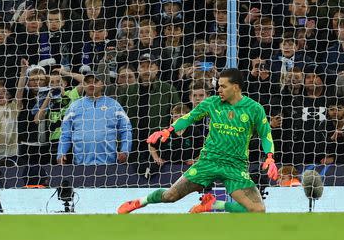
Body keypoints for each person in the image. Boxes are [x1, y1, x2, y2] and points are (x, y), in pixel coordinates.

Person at [118, 68, 277, 214]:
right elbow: (188, 118)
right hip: (207, 162)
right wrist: (168, 130)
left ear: (236, 87)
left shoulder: (254, 108)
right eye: (218, 86)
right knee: (170, 195)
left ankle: (214, 205)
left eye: (223, 86)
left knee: (257, 209)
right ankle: (140, 202)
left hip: (235, 166)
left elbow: (265, 135)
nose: (219, 90)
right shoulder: (212, 103)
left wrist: (270, 156)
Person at [57, 72, 132, 165]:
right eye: (88, 82)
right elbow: (65, 134)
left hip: (109, 165)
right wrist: (61, 153)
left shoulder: (114, 105)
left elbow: (126, 129)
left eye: (95, 81)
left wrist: (125, 150)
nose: (91, 84)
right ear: (83, 84)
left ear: (102, 83)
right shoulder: (73, 107)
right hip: (81, 166)